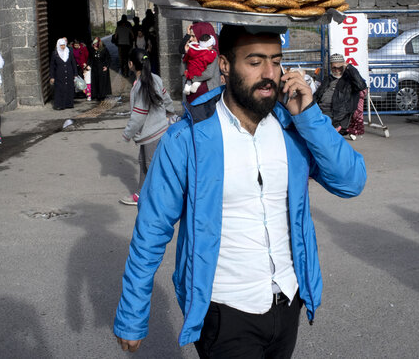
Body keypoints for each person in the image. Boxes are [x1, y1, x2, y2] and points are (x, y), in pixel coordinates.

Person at [113, 25, 367, 356]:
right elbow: (151, 229)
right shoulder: (187, 140)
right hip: (225, 311)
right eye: (255, 62)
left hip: (288, 303)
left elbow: (351, 182)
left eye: (276, 62)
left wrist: (309, 115)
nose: (269, 74)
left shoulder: (293, 128)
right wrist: (132, 314)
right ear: (225, 66)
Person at [119, 48, 175, 206]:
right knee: (144, 162)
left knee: (152, 166)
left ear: (131, 64)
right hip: (154, 132)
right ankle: (140, 193)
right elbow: (166, 97)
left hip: (152, 134)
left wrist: (127, 134)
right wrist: (170, 111)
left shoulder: (140, 86)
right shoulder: (154, 78)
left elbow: (139, 114)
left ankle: (162, 198)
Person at [312, 53, 367, 139]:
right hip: (321, 110)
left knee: (320, 134)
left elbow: (361, 86)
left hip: (337, 113)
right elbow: (317, 95)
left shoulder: (349, 80)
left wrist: (349, 67)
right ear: (330, 66)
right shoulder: (328, 79)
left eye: (339, 67)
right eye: (334, 68)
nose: (337, 70)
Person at [179, 22, 220, 103]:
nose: (191, 39)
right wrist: (186, 53)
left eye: (193, 36)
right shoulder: (192, 51)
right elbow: (182, 72)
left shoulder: (212, 53)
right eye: (190, 36)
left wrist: (190, 77)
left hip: (207, 94)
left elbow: (208, 74)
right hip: (191, 95)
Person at [49, 38, 78, 110]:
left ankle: (69, 104)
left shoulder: (69, 52)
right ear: (58, 45)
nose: (63, 47)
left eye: (64, 45)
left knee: (69, 88)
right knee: (60, 89)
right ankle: (59, 105)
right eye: (61, 45)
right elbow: (52, 66)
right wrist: (52, 76)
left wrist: (75, 73)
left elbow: (73, 63)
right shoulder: (55, 53)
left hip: (69, 73)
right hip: (59, 74)